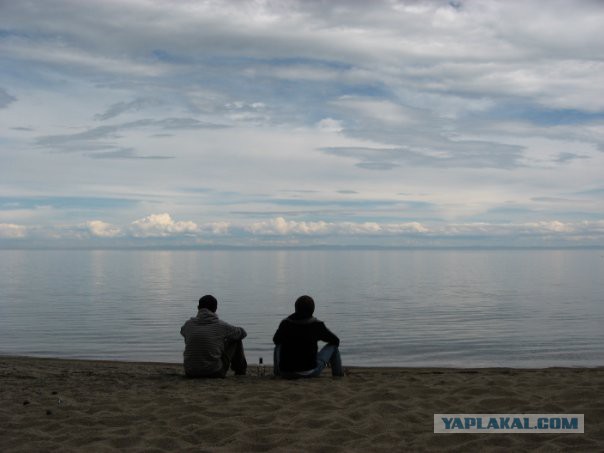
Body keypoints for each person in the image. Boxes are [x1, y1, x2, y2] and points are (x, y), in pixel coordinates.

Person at [273, 295, 343, 378]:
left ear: (296, 308)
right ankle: (338, 375)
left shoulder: (285, 323)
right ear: (313, 310)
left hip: (286, 372)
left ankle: (277, 373)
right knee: (333, 347)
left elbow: (276, 340)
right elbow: (336, 341)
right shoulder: (317, 325)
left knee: (278, 345)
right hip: (310, 372)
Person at [180, 294, 247, 378]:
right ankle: (240, 372)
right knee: (236, 340)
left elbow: (182, 332)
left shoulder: (188, 325)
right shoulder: (221, 325)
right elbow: (243, 333)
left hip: (189, 372)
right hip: (214, 372)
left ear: (198, 308)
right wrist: (224, 341)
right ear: (215, 309)